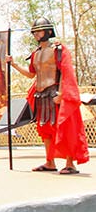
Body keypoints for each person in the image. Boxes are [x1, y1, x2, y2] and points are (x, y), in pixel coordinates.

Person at [7, 17, 89, 174]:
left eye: (39, 31)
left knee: (64, 128)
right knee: (45, 129)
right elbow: (31, 75)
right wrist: (14, 64)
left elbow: (66, 72)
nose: (37, 34)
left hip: (55, 92)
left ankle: (70, 163)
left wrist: (62, 93)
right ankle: (49, 162)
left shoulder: (58, 50)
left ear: (48, 31)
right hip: (40, 95)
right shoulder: (35, 54)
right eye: (35, 32)